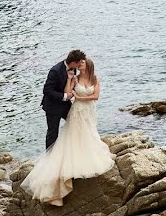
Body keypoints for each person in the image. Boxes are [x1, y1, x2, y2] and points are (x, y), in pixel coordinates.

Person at [22, 57, 114, 206]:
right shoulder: (75, 77)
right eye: (80, 63)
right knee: (73, 135)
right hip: (77, 110)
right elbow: (67, 93)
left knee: (88, 133)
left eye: (83, 63)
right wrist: (69, 81)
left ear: (88, 65)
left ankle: (86, 153)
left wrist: (80, 97)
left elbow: (96, 96)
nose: (80, 65)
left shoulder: (95, 78)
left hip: (89, 110)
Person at [41, 49, 86, 150]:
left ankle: (74, 147)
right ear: (74, 63)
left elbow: (70, 85)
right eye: (79, 63)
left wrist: (73, 92)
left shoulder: (73, 69)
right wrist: (65, 96)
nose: (79, 66)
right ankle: (49, 155)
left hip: (65, 105)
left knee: (77, 122)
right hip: (52, 106)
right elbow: (47, 90)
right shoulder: (55, 71)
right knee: (53, 132)